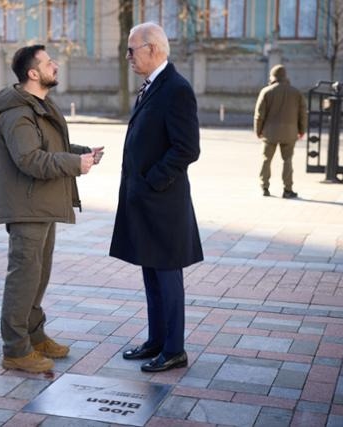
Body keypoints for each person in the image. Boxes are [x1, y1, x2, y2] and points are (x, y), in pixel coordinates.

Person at [0, 45, 103, 373]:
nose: (55, 64)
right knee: (23, 278)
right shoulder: (18, 113)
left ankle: (35, 335)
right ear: (33, 73)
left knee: (38, 276)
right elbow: (29, 160)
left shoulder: (38, 104)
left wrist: (82, 153)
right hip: (27, 207)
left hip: (42, 204)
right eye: (48, 62)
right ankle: (14, 349)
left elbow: (49, 147)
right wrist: (73, 164)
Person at [110, 23, 202, 373]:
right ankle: (156, 340)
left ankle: (175, 348)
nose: (128, 56)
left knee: (167, 276)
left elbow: (187, 148)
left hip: (163, 202)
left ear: (153, 49)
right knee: (151, 273)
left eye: (132, 50)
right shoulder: (152, 86)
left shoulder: (176, 89)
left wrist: (151, 182)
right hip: (146, 201)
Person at [254, 64, 307, 198]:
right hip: (290, 132)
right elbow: (303, 114)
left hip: (269, 132)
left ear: (272, 77)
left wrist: (258, 130)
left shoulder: (266, 91)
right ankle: (288, 190)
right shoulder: (296, 92)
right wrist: (302, 130)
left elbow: (259, 115)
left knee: (266, 160)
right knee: (287, 160)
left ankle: (264, 187)